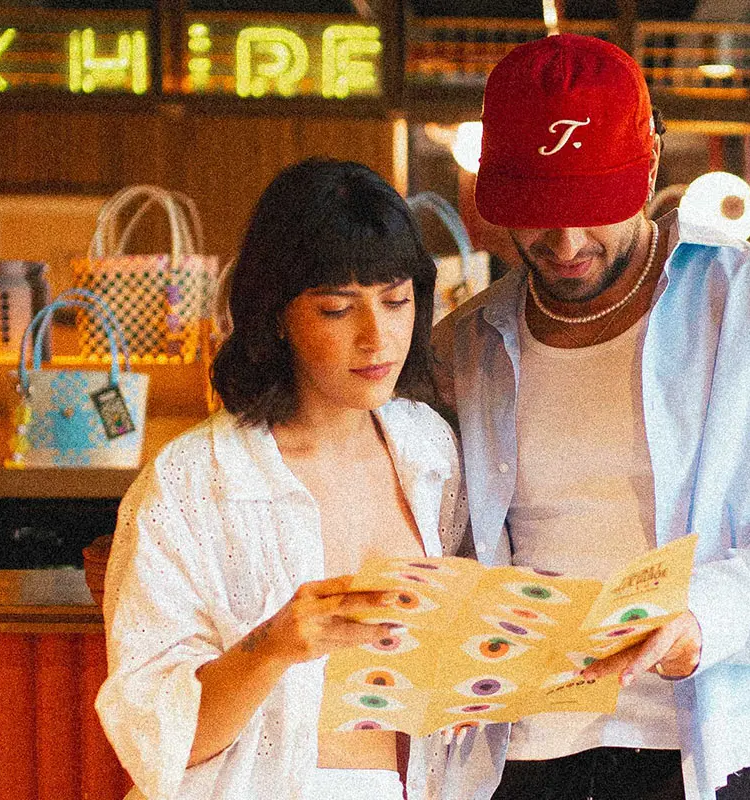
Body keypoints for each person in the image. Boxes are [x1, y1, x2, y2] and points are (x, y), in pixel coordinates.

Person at [434, 34, 750, 800]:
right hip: (517, 752)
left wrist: (708, 615)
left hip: (721, 742)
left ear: (650, 163)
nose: (567, 243)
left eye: (593, 209)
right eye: (539, 215)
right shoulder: (466, 345)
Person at [96, 159, 497, 800]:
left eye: (396, 302)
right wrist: (272, 646)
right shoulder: (194, 481)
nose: (377, 337)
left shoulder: (430, 448)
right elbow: (162, 745)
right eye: (338, 310)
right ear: (278, 315)